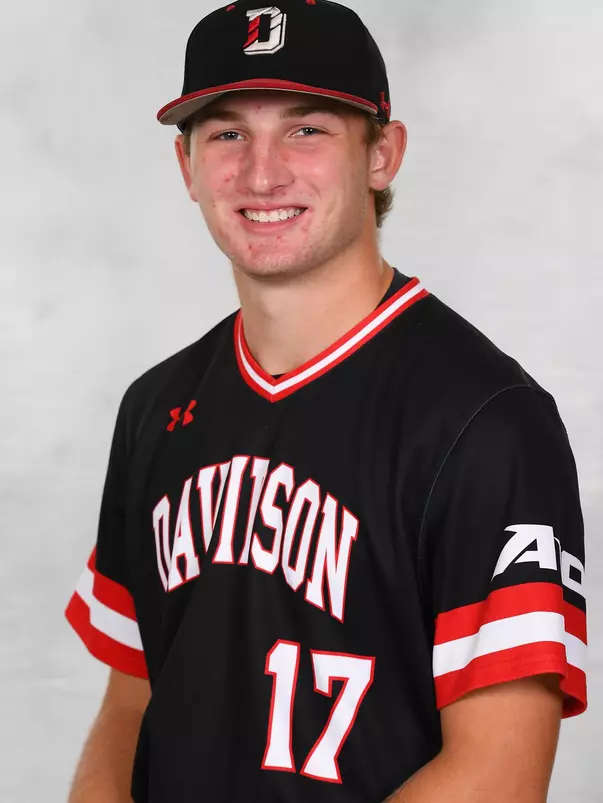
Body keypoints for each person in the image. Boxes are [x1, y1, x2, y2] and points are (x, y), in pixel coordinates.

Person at [65, 1, 587, 801]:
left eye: (306, 129)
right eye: (227, 133)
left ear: (382, 154)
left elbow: (498, 774)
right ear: (186, 166)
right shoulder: (154, 408)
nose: (262, 172)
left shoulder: (487, 419)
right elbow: (132, 697)